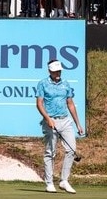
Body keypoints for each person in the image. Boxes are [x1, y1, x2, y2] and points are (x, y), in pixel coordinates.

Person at [35, 59, 85, 194]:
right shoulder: (43, 84)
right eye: (55, 71)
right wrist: (48, 119)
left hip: (65, 120)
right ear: (49, 71)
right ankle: (49, 183)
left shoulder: (65, 84)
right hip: (50, 121)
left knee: (71, 149)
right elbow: (39, 104)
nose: (58, 73)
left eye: (59, 70)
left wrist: (78, 123)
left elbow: (70, 104)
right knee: (50, 152)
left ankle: (64, 181)